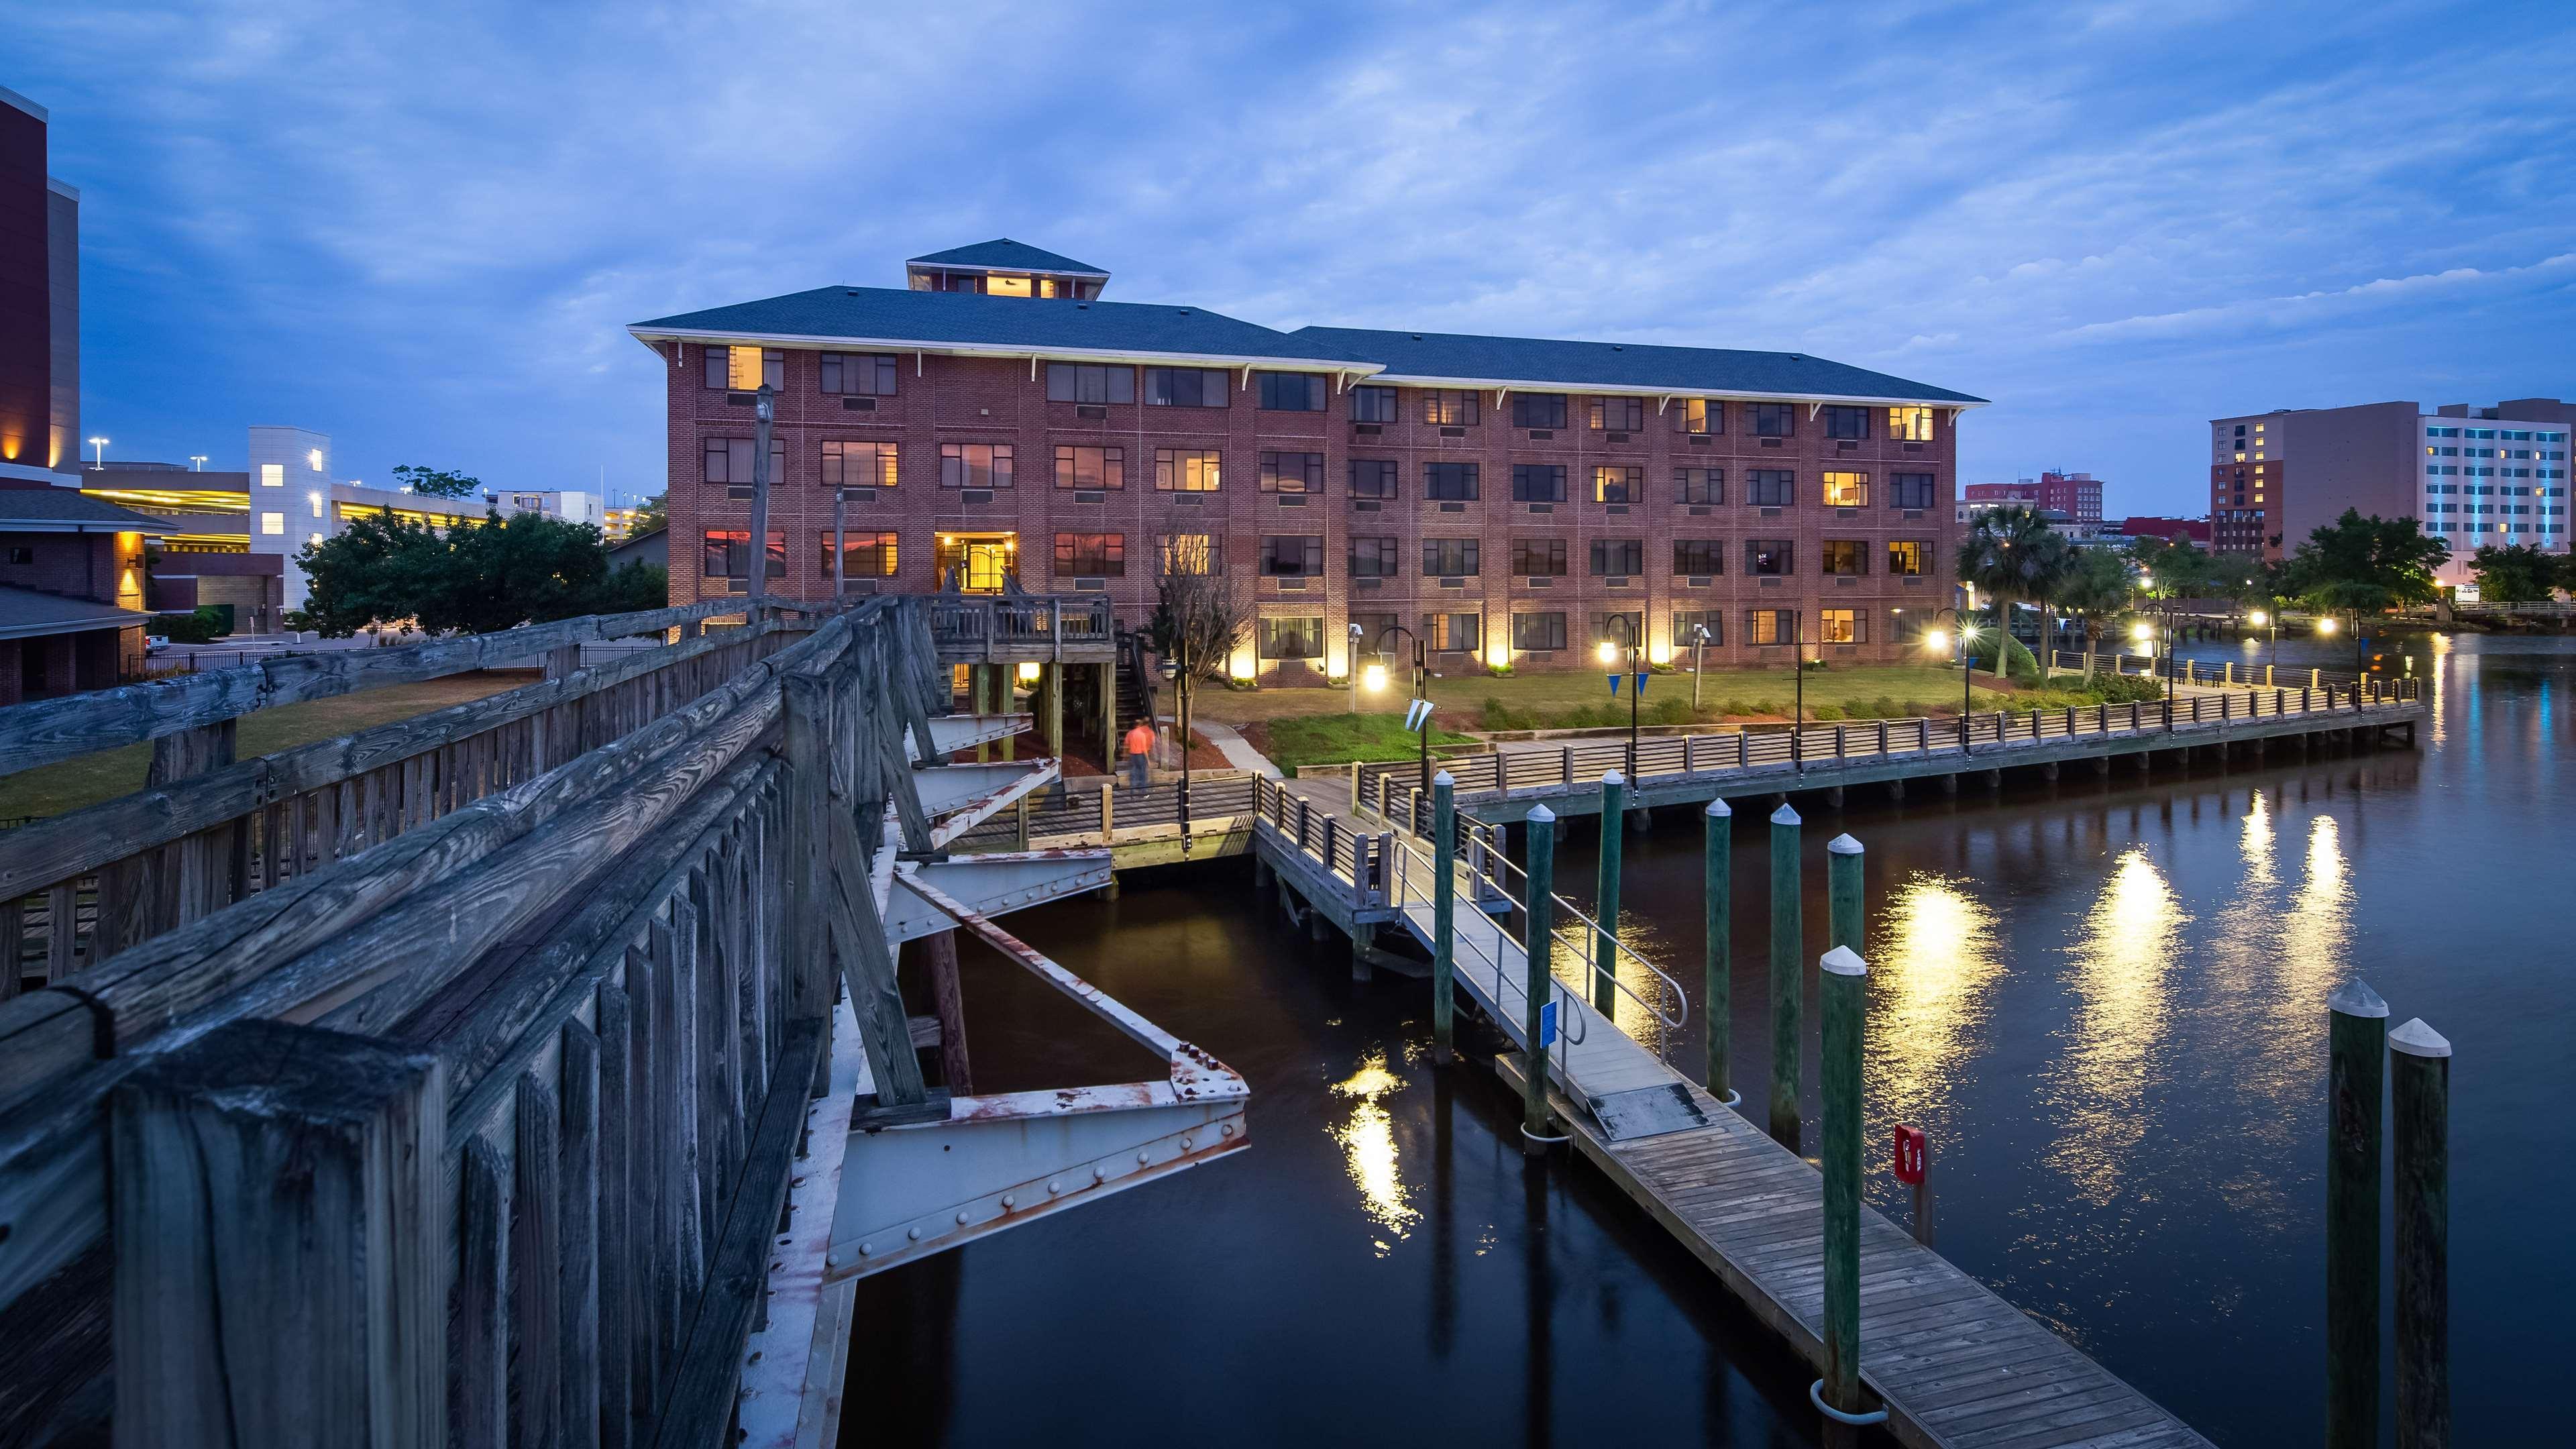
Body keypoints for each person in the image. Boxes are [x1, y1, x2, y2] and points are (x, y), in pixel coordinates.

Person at [1121, 718, 1157, 795]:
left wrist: (1125, 756)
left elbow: (1126, 745)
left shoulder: (1130, 733)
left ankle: (1132, 792)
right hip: (1140, 755)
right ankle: (1143, 792)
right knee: (1143, 773)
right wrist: (1148, 761)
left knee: (1133, 774)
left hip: (1132, 755)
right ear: (1140, 725)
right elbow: (1144, 749)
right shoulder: (1142, 734)